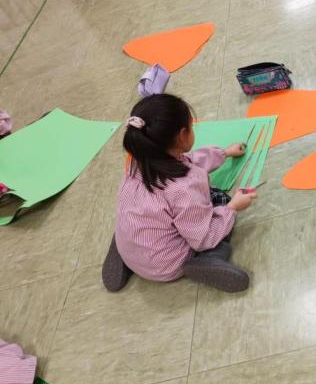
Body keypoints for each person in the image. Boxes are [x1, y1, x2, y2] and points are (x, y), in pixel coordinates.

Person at [102, 94, 257, 293]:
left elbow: (188, 160)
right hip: (168, 264)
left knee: (140, 219)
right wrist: (233, 207)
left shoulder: (139, 161)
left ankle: (126, 248)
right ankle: (208, 260)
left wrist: (224, 153)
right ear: (183, 135)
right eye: (192, 126)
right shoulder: (184, 187)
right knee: (220, 204)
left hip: (136, 243)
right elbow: (204, 237)